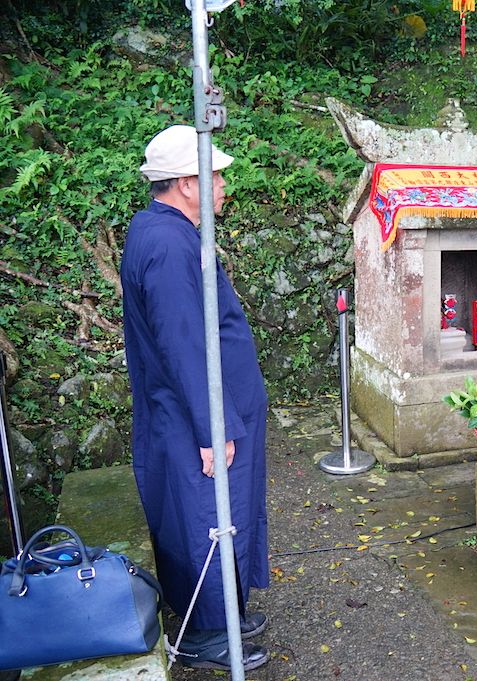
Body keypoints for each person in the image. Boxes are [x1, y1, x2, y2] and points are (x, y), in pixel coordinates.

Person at [121, 125, 270, 671]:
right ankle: (204, 630)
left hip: (205, 404)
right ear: (187, 182)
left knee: (220, 510)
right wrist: (213, 426)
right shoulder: (165, 243)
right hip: (193, 412)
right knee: (203, 515)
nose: (224, 184)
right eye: (216, 174)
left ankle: (225, 608)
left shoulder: (171, 231)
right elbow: (182, 341)